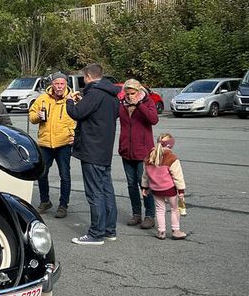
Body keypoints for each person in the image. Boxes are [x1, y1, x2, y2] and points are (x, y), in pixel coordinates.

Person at [65, 63, 121, 245]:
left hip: (91, 149)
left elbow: (77, 112)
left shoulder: (95, 93)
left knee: (94, 192)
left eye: (84, 77)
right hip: (105, 148)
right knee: (106, 190)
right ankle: (109, 230)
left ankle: (96, 233)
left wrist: (69, 100)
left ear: (88, 76)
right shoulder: (112, 95)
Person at [28, 72, 76, 218]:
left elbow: (81, 118)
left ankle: (63, 205)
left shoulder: (73, 99)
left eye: (62, 84)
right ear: (52, 84)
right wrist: (38, 117)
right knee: (41, 173)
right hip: (45, 142)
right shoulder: (42, 99)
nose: (59, 86)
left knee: (65, 175)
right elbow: (32, 116)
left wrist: (76, 135)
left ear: (66, 84)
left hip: (64, 142)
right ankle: (45, 201)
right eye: (56, 84)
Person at [118, 78, 158, 229]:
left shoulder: (147, 102)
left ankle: (149, 215)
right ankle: (136, 214)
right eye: (127, 93)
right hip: (126, 151)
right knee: (131, 185)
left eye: (132, 93)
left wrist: (139, 105)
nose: (129, 96)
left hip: (143, 152)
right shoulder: (122, 104)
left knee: (145, 185)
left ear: (139, 91)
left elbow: (153, 120)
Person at [141, 133, 187, 240]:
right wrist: (181, 191)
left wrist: (145, 187)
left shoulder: (150, 156)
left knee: (160, 210)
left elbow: (145, 175)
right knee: (174, 209)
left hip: (156, 189)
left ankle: (161, 232)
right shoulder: (171, 158)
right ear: (170, 145)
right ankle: (176, 231)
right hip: (170, 189)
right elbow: (178, 177)